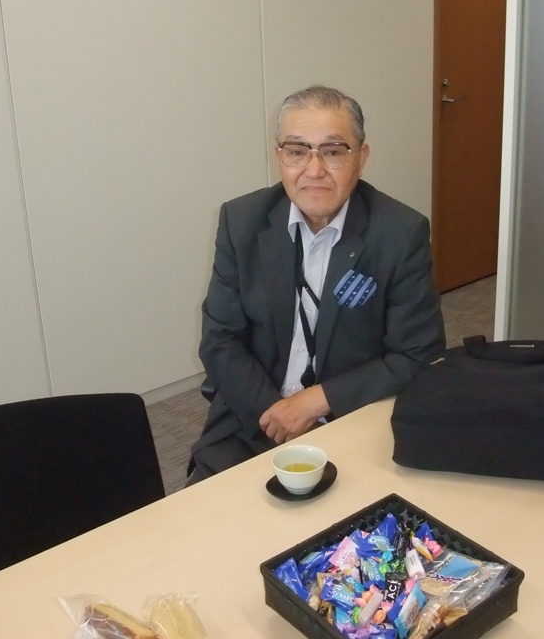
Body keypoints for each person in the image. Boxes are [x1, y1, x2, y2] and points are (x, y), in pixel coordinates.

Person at [187, 85, 445, 482]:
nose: (314, 170)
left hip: (353, 418)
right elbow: (220, 340)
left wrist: (315, 402)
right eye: (297, 151)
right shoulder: (241, 222)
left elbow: (416, 353)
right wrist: (276, 415)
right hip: (254, 416)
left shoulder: (399, 233)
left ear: (361, 157)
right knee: (207, 514)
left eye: (333, 151)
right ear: (279, 156)